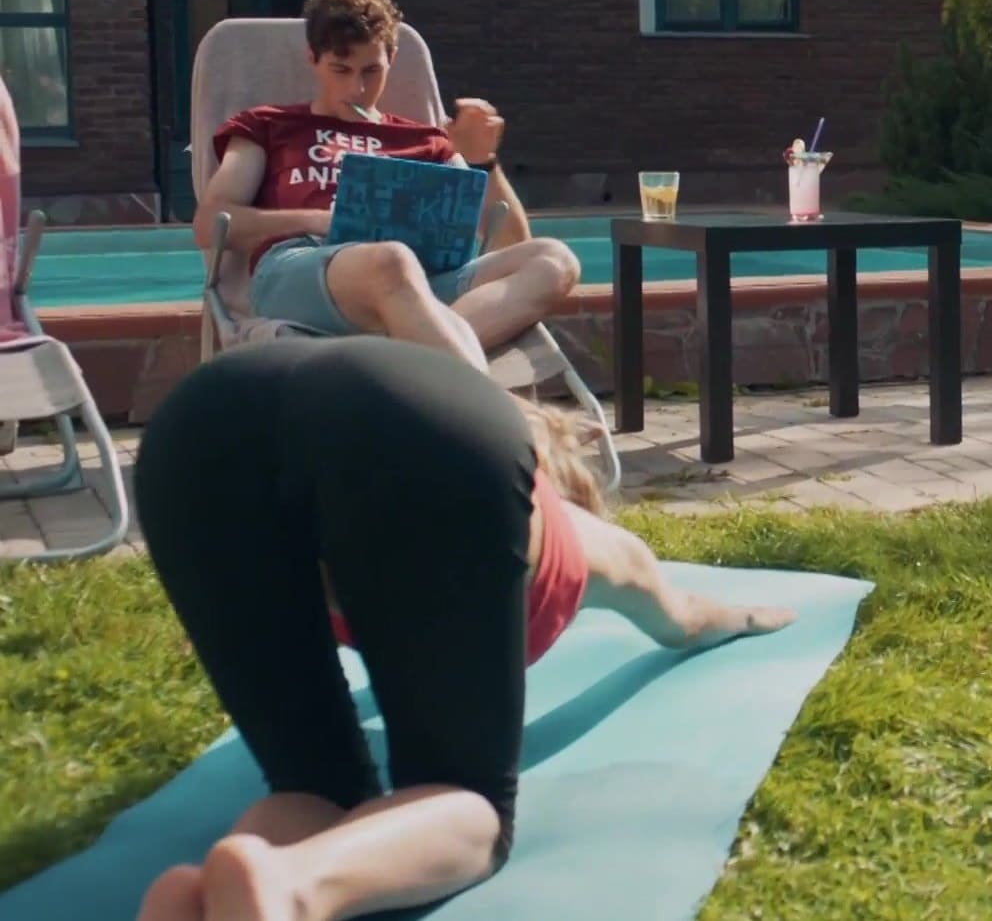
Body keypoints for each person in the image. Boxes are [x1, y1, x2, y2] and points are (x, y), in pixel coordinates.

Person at [128, 335, 796, 921]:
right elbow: (682, 616)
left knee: (311, 785)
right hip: (412, 416)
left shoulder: (400, 518)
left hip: (196, 425)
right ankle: (292, 888)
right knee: (466, 800)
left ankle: (206, 902)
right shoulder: (573, 535)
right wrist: (745, 615)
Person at [195, 0, 580, 374]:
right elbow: (211, 224)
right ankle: (480, 398)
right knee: (391, 259)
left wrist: (483, 161)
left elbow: (509, 244)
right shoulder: (269, 125)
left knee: (554, 258)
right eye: (340, 70)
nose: (357, 88)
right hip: (302, 268)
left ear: (391, 58)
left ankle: (408, 356)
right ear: (313, 59)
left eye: (371, 71)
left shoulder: (426, 140)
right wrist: (321, 220)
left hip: (420, 279)